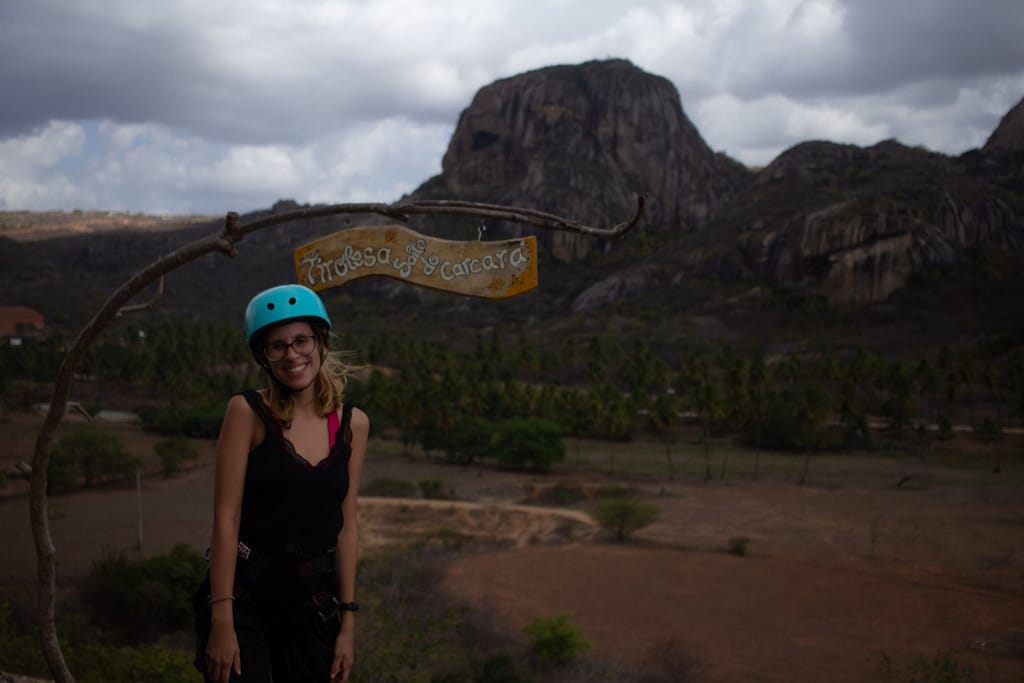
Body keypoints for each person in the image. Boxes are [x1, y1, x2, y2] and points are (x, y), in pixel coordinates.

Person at [194, 284, 369, 683]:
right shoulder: (247, 413)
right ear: (263, 356)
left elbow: (348, 526)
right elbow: (226, 518)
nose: (292, 355)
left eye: (301, 340)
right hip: (247, 597)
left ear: (320, 342)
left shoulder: (353, 425)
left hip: (314, 601)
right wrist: (223, 620)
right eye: (277, 346)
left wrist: (348, 623)